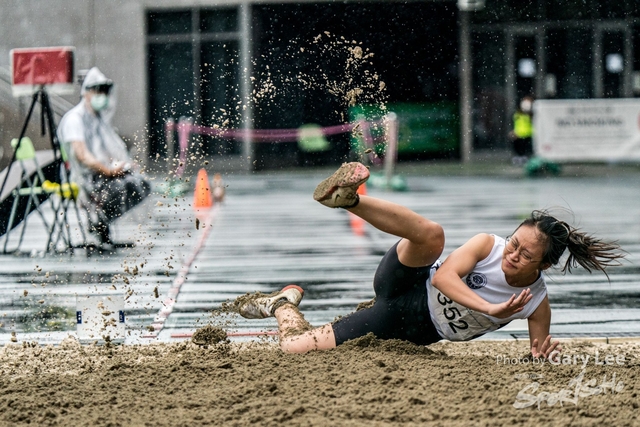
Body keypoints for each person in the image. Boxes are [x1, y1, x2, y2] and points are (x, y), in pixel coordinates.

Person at [238, 162, 623, 355]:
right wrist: (494, 307)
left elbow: (539, 356)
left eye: (524, 256)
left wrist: (544, 359)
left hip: (407, 326)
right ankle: (350, 199)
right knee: (433, 235)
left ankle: (282, 303)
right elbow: (442, 280)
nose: (512, 254)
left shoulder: (537, 304)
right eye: (513, 243)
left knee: (294, 350)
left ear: (544, 267)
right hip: (406, 283)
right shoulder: (487, 245)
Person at [57, 67, 150, 246]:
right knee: (122, 187)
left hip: (99, 174)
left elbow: (105, 151)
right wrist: (108, 171)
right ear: (87, 93)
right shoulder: (75, 119)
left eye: (105, 92)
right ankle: (97, 223)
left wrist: (122, 165)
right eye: (98, 91)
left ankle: (101, 222)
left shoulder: (97, 120)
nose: (102, 96)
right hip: (82, 179)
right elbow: (82, 155)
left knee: (140, 183)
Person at [510, 96, 534, 166]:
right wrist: (513, 132)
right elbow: (513, 123)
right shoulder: (517, 114)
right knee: (518, 148)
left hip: (528, 135)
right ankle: (518, 159)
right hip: (518, 135)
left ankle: (525, 159)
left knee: (526, 149)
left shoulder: (531, 114)